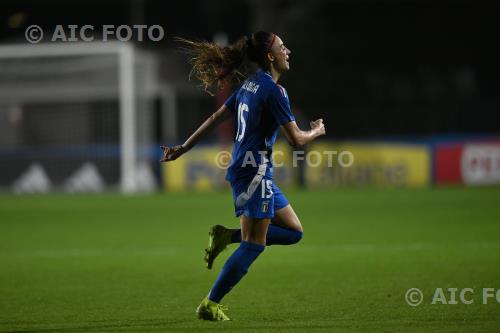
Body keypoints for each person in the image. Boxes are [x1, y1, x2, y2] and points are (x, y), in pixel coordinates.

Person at [160, 31, 326, 321]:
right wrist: (317, 130)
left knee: (293, 233)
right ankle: (209, 304)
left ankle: (227, 236)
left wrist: (183, 148)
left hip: (254, 170)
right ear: (269, 56)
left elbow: (214, 119)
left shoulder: (249, 84)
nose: (288, 51)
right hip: (253, 173)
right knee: (254, 244)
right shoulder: (274, 92)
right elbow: (297, 140)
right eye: (282, 47)